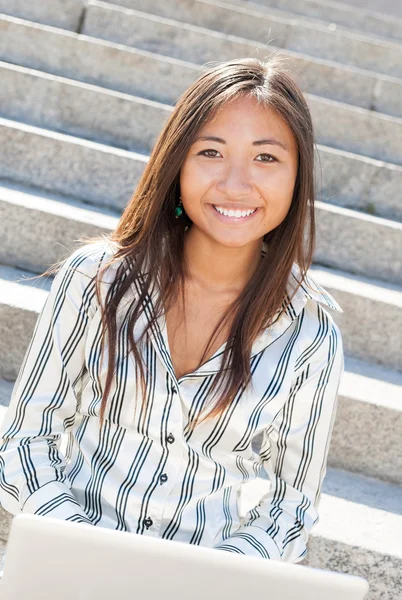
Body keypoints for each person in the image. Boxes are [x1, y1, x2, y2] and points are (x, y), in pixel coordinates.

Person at [0, 55, 344, 566]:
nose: (235, 183)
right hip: (66, 562)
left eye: (266, 158)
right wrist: (79, 544)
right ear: (176, 163)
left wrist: (213, 576)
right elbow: (27, 437)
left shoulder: (310, 333)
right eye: (211, 151)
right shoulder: (97, 280)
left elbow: (291, 506)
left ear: (297, 178)